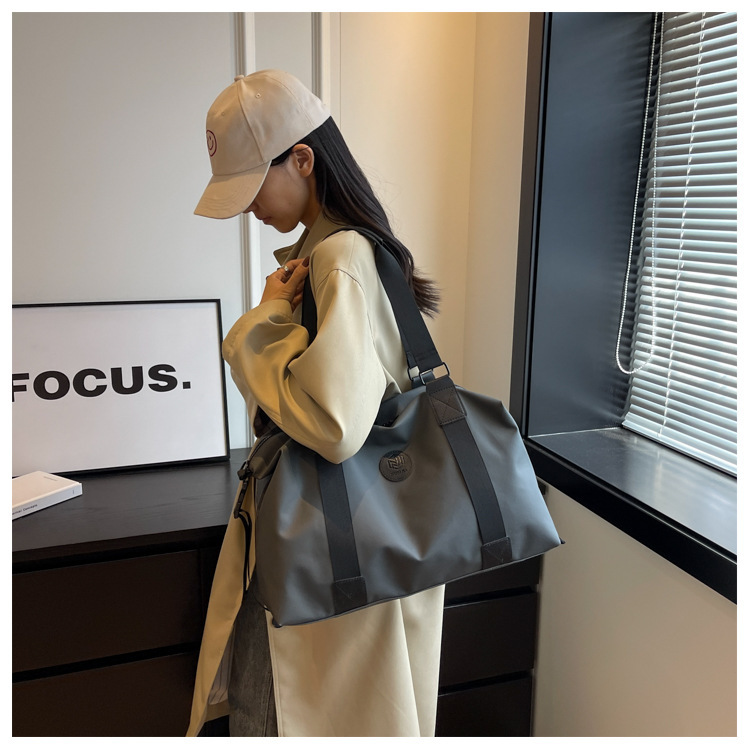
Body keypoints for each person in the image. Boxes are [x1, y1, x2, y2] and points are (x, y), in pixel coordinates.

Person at [186, 69, 444, 738]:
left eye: (252, 185)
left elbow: (332, 426)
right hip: (357, 531)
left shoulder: (339, 256)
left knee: (291, 713)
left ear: (302, 158)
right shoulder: (339, 249)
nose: (248, 207)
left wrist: (262, 323)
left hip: (332, 539)